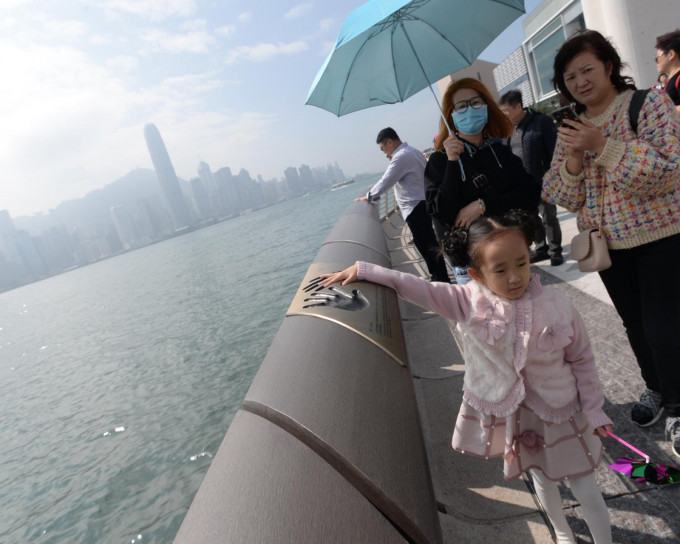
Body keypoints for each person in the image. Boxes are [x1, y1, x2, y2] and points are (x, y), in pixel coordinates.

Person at [320, 209, 613, 544]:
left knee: (585, 484)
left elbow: (582, 360)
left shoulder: (558, 305)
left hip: (562, 412)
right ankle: (562, 534)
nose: (515, 277)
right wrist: (364, 270)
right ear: (476, 274)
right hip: (521, 418)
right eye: (500, 270)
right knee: (541, 478)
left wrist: (593, 408)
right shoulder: (466, 302)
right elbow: (417, 287)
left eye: (521, 262)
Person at [542, 30, 680, 456]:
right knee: (634, 324)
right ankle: (656, 389)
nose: (580, 81)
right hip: (608, 247)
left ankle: (678, 406)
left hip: (661, 238)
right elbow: (561, 195)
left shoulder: (647, 104)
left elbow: (666, 171)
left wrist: (601, 146)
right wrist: (571, 159)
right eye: (570, 76)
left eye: (587, 69)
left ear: (608, 67)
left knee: (665, 328)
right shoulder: (570, 129)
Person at [424, 78, 540, 284]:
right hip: (472, 269)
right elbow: (441, 212)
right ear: (451, 115)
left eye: (476, 103)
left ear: (487, 106)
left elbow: (530, 193)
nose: (469, 110)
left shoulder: (500, 151)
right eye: (461, 106)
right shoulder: (439, 161)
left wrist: (483, 205)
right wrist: (452, 161)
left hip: (511, 258)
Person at [358, 128, 449, 282]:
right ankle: (441, 277)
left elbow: (386, 180)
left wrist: (369, 196)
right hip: (423, 202)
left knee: (425, 245)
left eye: (383, 148)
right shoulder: (413, 151)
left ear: (390, 142)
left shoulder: (400, 157)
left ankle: (440, 280)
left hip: (414, 207)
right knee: (430, 243)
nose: (384, 152)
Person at [499, 89, 564, 266]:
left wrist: (554, 176)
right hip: (522, 184)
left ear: (518, 106)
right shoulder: (509, 130)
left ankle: (555, 250)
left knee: (549, 216)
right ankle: (541, 248)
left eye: (506, 110)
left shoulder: (541, 122)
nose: (504, 114)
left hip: (543, 179)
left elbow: (554, 152)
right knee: (530, 218)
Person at [655, 29, 680, 112]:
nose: (656, 62)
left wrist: (664, 112)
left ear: (671, 54)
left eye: (657, 57)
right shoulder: (672, 80)